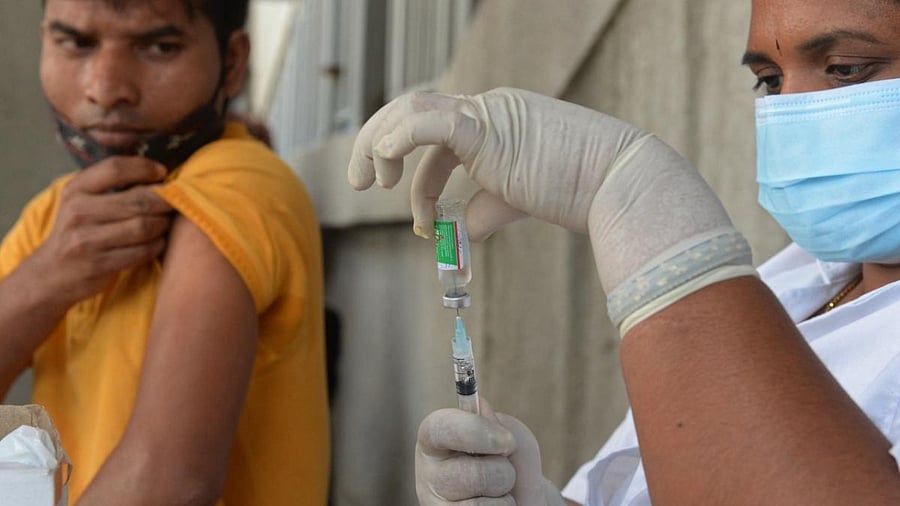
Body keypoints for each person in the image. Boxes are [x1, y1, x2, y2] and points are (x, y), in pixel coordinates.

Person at [347, 0, 900, 504]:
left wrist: (643, 214)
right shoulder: (797, 279)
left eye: (848, 69)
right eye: (769, 80)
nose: (794, 114)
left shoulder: (725, 291)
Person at [0, 0, 329, 504]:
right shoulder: (58, 215)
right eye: (76, 42)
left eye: (159, 47)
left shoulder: (238, 184)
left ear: (233, 61)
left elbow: (170, 484)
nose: (107, 89)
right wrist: (47, 276)